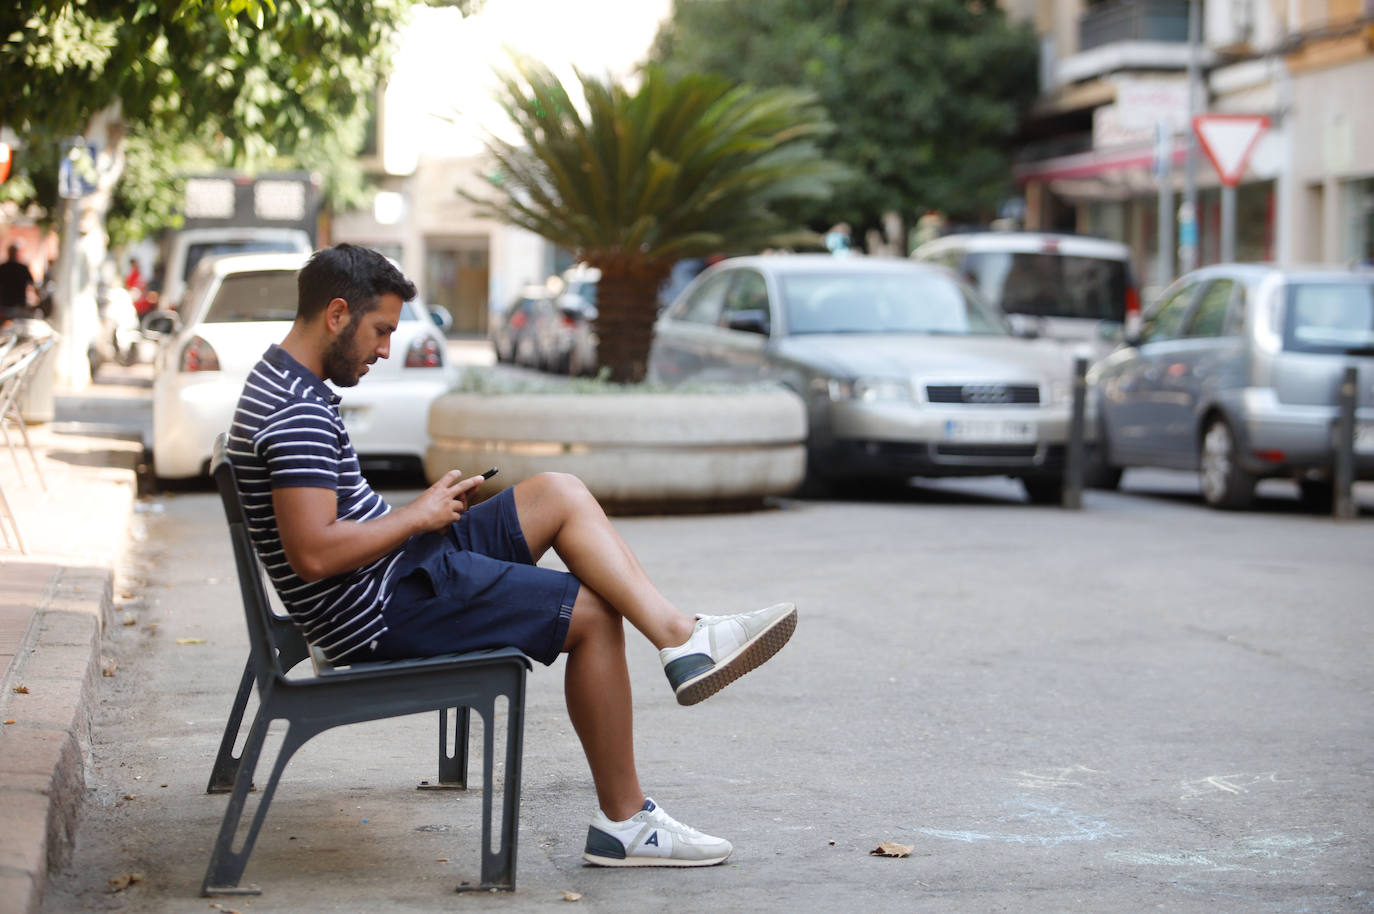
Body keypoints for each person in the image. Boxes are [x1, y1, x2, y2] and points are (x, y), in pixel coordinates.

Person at [226, 244, 797, 868]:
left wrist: (419, 514)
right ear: (337, 314)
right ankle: (625, 823)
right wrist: (416, 517)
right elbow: (312, 554)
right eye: (381, 330)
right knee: (591, 615)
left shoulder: (280, 380)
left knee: (558, 493)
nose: (385, 349)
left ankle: (681, 637)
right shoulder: (297, 410)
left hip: (395, 571)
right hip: (381, 607)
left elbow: (324, 531)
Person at [0, 242, 38, 323]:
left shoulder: (3, 268)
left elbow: (32, 284)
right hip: (11, 306)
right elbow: (33, 284)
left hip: (11, 305)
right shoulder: (22, 268)